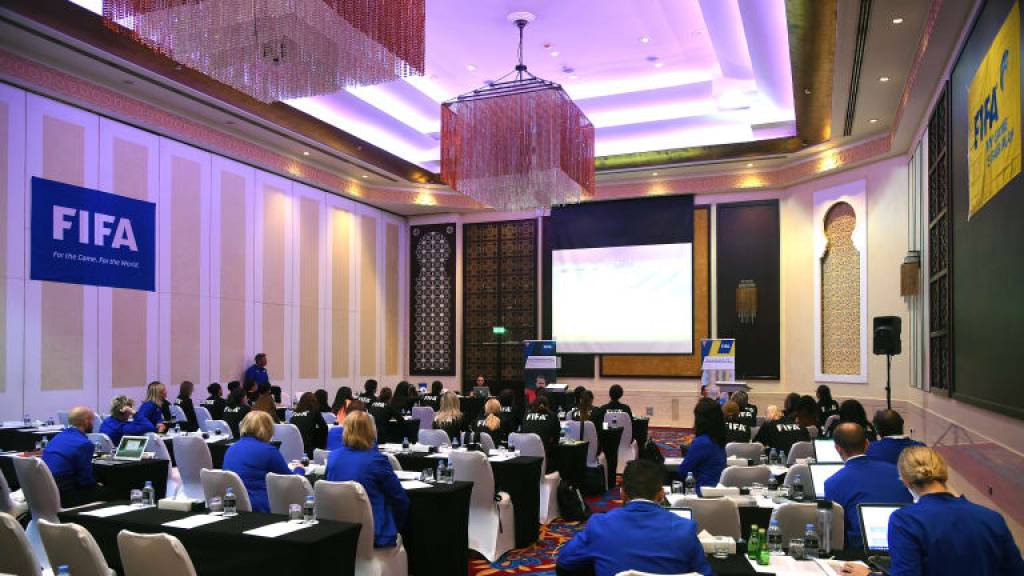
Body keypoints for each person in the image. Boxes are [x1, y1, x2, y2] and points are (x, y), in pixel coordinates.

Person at [840, 447, 1024, 576]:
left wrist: (869, 575)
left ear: (905, 481)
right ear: (944, 473)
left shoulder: (905, 521)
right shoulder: (992, 518)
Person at [557, 459, 712, 576]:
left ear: (622, 493)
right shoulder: (685, 528)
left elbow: (565, 561)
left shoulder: (600, 525)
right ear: (661, 494)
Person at [326, 411, 409, 548]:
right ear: (371, 431)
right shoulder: (377, 461)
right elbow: (400, 499)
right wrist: (396, 527)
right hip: (374, 535)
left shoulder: (332, 458)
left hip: (337, 533)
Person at [824, 423, 912, 549]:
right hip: (906, 546)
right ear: (867, 444)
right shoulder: (899, 471)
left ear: (837, 448)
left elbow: (836, 533)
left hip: (861, 553)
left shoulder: (832, 483)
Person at [222, 411, 304, 513]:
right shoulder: (268, 450)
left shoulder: (231, 449)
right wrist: (299, 469)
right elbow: (292, 482)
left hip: (234, 505)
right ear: (268, 429)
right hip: (261, 508)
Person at [41, 407, 100, 507]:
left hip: (46, 492)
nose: (93, 424)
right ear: (86, 421)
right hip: (67, 495)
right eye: (92, 420)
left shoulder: (58, 436)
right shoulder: (85, 444)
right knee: (114, 492)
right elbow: (85, 481)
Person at [677, 398, 727, 495]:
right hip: (718, 493)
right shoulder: (719, 441)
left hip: (701, 494)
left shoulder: (702, 442)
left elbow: (683, 471)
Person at [520, 395, 561, 471]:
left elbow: (522, 431)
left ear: (534, 405)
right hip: (544, 457)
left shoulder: (526, 415)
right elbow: (556, 438)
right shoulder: (552, 416)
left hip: (524, 456)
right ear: (548, 405)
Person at [289, 392, 329, 458]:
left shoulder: (293, 415)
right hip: (310, 450)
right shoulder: (314, 412)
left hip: (295, 451)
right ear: (314, 402)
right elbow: (324, 427)